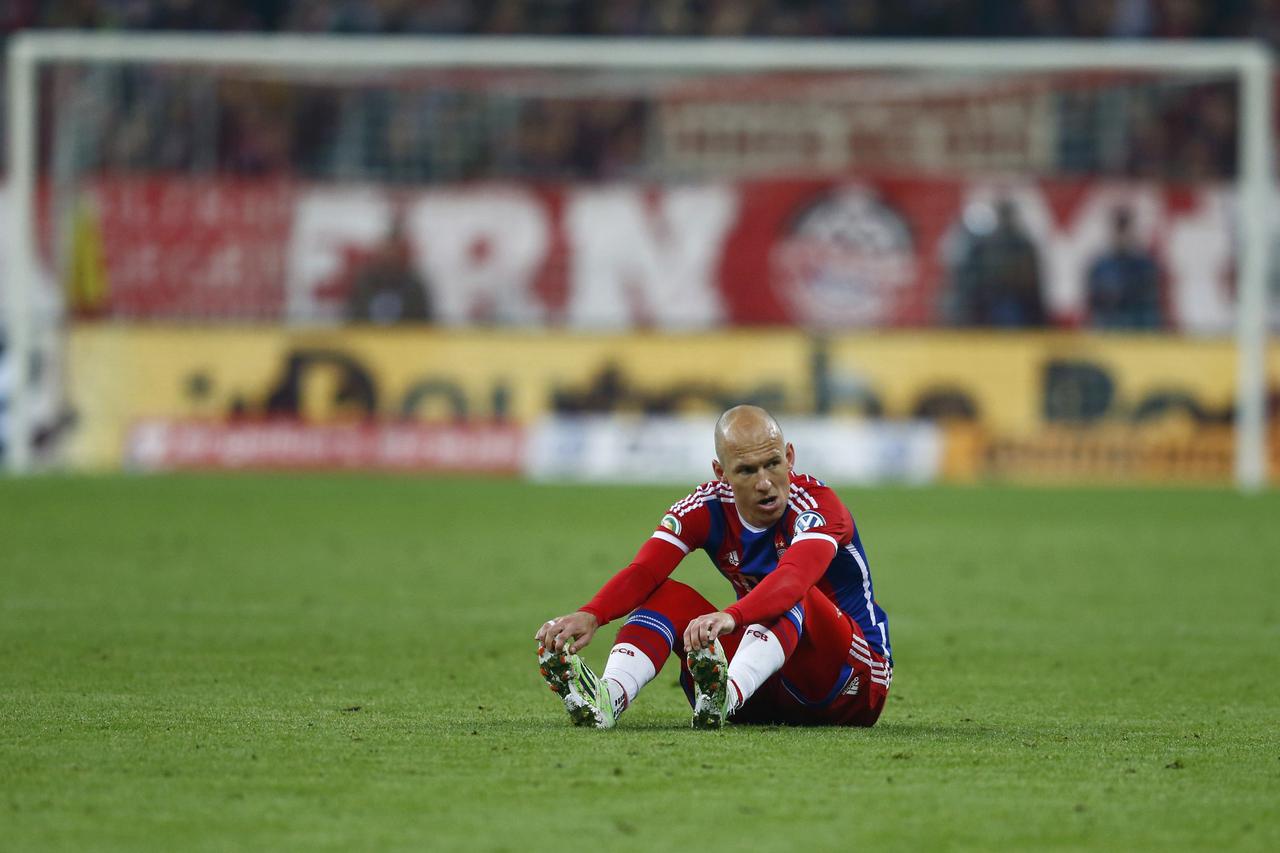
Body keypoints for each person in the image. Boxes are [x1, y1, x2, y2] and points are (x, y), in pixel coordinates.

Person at [534, 405, 892, 729]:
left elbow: (792, 579)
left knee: (791, 594)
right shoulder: (704, 508)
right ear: (721, 473)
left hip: (851, 683)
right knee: (664, 593)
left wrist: (731, 617)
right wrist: (592, 614)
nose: (765, 482)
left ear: (790, 456)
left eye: (773, 464)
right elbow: (645, 571)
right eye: (747, 471)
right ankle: (608, 698)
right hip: (765, 675)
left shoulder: (818, 506)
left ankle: (726, 695)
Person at [946, 199, 1048, 327]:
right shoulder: (984, 246)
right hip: (986, 303)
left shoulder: (1018, 245)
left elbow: (1026, 280)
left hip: (1008, 304)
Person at [1085, 206, 1163, 330]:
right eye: (1119, 228)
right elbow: (1092, 306)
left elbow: (1151, 307)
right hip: (1108, 328)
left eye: (1125, 228)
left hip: (1137, 330)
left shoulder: (1144, 266)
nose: (1122, 235)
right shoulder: (1100, 266)